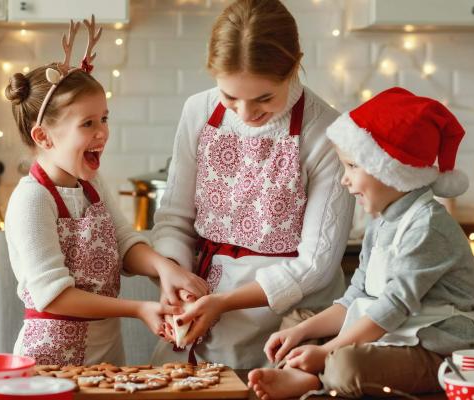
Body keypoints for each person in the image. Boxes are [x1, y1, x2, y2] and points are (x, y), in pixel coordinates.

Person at [150, 0, 355, 368]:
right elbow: (174, 220)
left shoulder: (326, 131)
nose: (246, 114)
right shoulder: (198, 111)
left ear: (294, 66)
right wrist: (175, 275)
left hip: (292, 326)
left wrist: (224, 303)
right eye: (230, 97)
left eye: (264, 98)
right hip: (199, 310)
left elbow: (316, 265)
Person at [248, 87, 474, 399]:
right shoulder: (382, 221)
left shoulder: (427, 226)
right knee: (298, 320)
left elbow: (393, 306)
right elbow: (356, 299)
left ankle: (315, 378)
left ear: (391, 171)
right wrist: (301, 332)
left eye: (352, 166)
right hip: (389, 335)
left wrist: (329, 351)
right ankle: (305, 372)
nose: (344, 179)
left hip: (434, 351)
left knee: (346, 363)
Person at [3, 17, 207, 366]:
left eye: (104, 119)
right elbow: (54, 297)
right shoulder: (32, 199)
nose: (102, 133)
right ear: (44, 137)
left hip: (107, 356)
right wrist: (138, 308)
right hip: (51, 363)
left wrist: (163, 267)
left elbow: (124, 243)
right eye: (87, 123)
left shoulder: (92, 185)